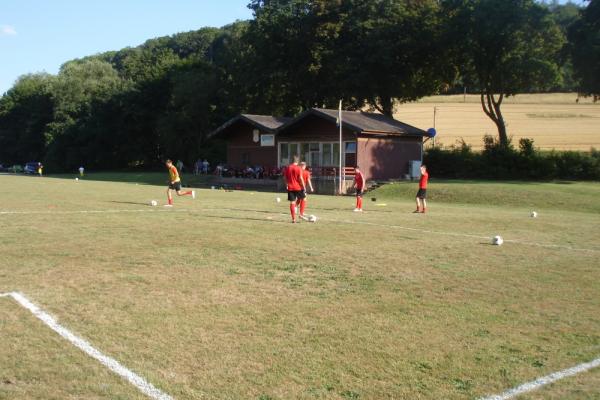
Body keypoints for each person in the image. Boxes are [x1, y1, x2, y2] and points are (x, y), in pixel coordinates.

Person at [283, 155, 305, 223]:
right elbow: (301, 178)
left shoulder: (288, 168)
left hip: (290, 187)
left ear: (291, 161)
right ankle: (301, 214)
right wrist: (304, 186)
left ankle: (293, 219)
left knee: (292, 202)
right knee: (304, 198)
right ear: (297, 161)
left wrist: (286, 184)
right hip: (298, 187)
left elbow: (284, 178)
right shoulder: (298, 168)